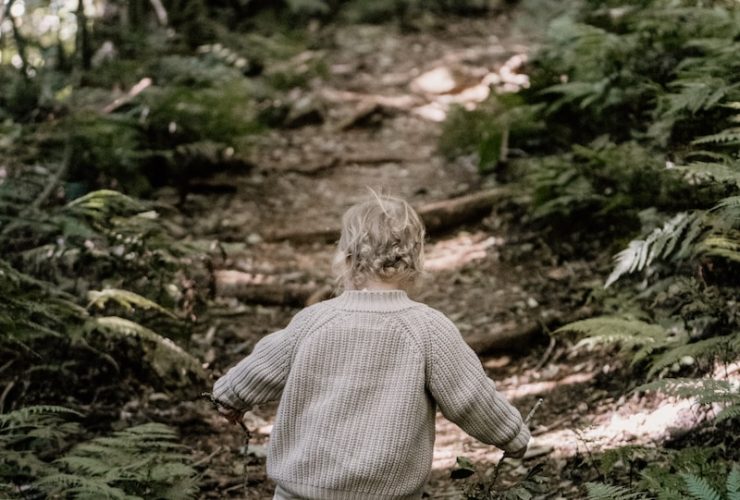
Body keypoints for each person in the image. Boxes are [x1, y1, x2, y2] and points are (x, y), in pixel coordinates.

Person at [212, 194, 530, 500]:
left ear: (345, 257)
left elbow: (261, 368)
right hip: (389, 493)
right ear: (416, 260)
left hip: (301, 490)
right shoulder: (429, 329)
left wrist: (229, 396)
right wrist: (512, 435)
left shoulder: (314, 321)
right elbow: (471, 396)